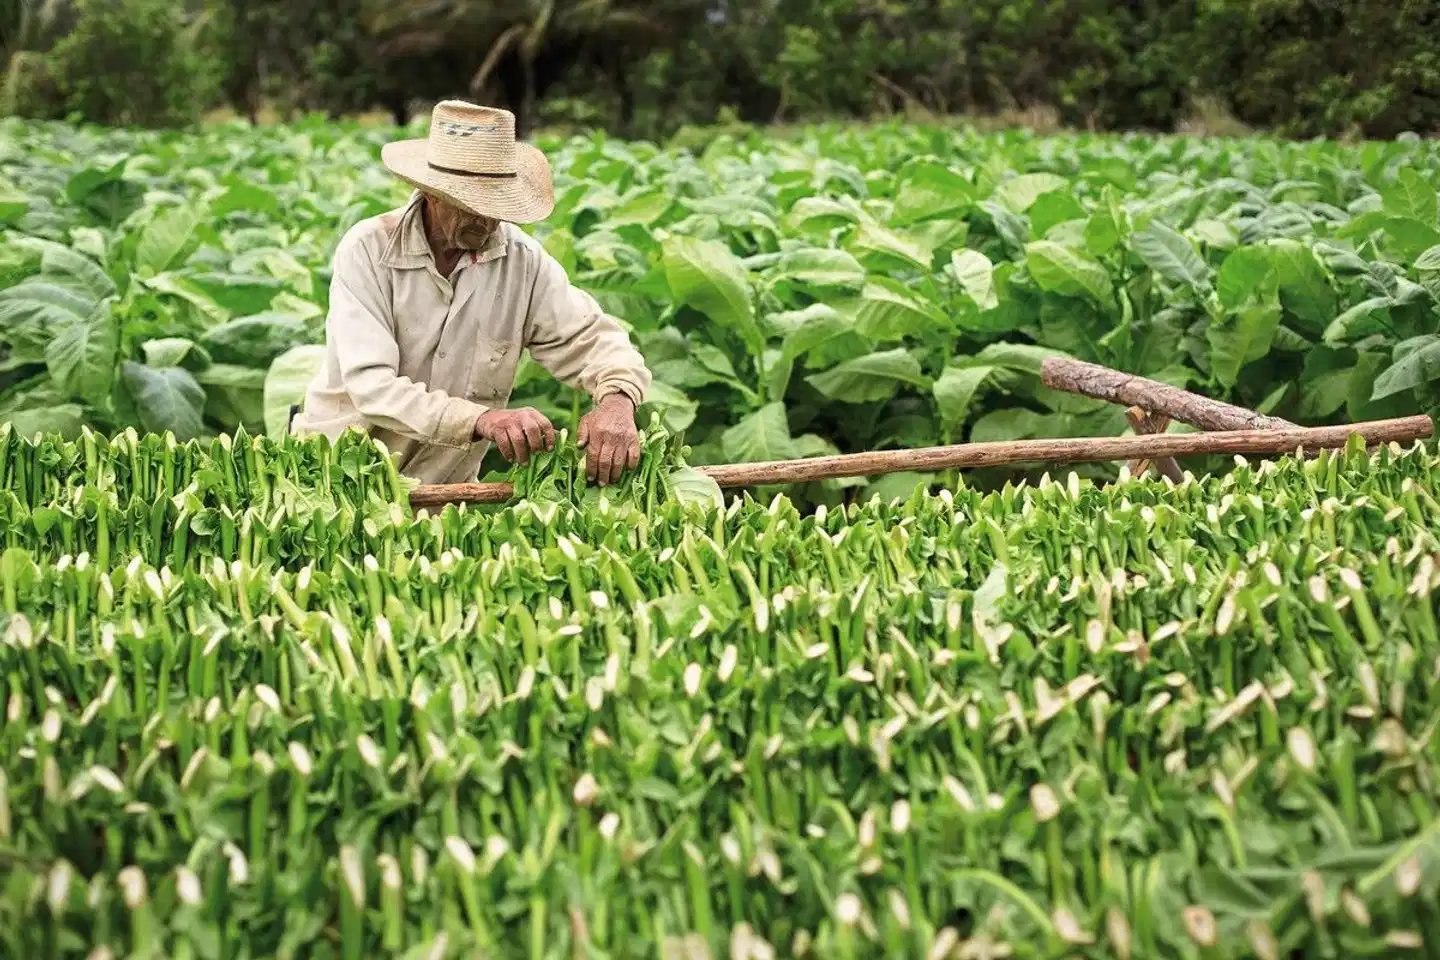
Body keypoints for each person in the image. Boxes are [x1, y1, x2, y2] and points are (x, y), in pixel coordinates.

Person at [291, 100, 651, 486]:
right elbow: (372, 387)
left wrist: (617, 400)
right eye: (470, 205)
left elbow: (591, 338)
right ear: (431, 195)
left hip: (445, 488)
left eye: (496, 206)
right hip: (340, 483)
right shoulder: (369, 249)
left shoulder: (521, 260)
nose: (486, 221)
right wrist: (482, 419)